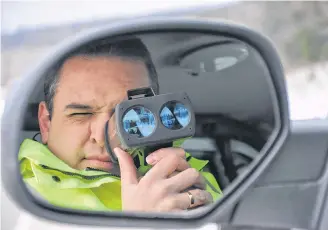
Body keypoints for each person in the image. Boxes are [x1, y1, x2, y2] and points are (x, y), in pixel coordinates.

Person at [18, 37, 222, 212]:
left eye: (129, 116)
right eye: (81, 113)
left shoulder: (191, 178)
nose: (102, 136)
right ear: (46, 123)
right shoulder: (20, 194)